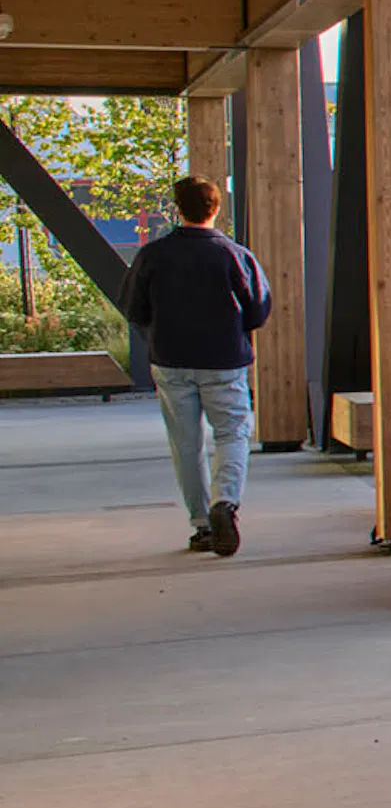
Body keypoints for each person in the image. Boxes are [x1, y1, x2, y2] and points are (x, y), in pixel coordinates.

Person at [122, 175, 271, 559]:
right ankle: (226, 502)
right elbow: (257, 310)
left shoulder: (152, 256)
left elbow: (134, 309)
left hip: (171, 360)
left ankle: (202, 525)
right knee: (233, 432)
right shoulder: (235, 255)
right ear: (216, 208)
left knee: (185, 444)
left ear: (178, 209)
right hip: (223, 360)